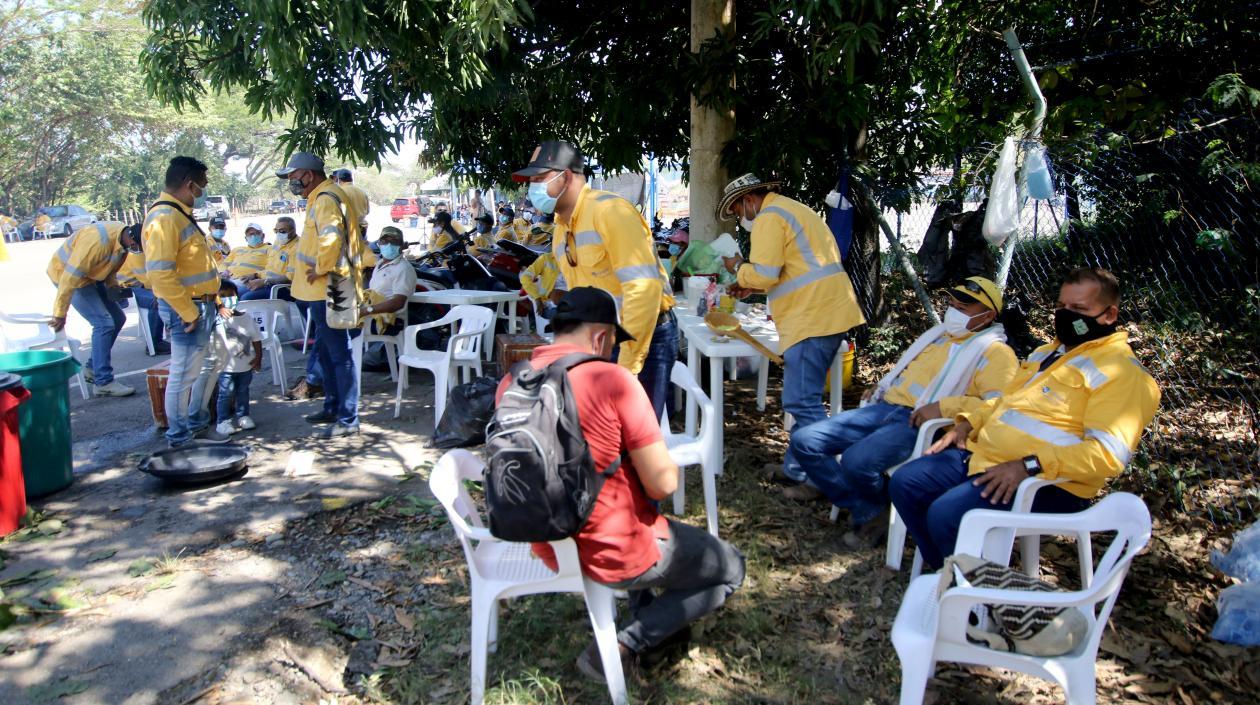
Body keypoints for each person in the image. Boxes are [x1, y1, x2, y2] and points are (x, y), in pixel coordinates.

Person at [494, 288, 745, 680]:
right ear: (600, 337)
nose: (613, 351)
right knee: (732, 568)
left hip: (547, 543)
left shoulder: (514, 381)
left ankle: (648, 618)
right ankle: (624, 644)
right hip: (612, 549)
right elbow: (663, 485)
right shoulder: (613, 379)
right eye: (613, 342)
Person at [889, 267, 1162, 571]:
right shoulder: (1046, 353)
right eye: (1061, 306)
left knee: (947, 515)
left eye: (1079, 309)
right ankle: (954, 573)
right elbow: (1006, 403)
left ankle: (975, 591)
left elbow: (1107, 456)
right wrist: (968, 422)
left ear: (1109, 315)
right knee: (906, 483)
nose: (1066, 315)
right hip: (988, 458)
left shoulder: (1123, 374)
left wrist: (1028, 465)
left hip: (1047, 483)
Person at [789, 277, 1018, 546]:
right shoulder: (938, 336)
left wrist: (944, 407)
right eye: (952, 304)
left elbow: (997, 406)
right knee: (805, 440)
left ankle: (869, 509)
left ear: (987, 316)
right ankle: (870, 507)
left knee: (856, 461)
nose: (953, 312)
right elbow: (908, 374)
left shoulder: (997, 354)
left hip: (920, 423)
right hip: (886, 407)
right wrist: (882, 386)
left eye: (963, 308)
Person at [718, 173, 865, 488]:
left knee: (802, 403)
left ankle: (823, 480)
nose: (740, 219)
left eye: (738, 211)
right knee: (803, 399)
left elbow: (766, 274)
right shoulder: (789, 209)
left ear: (748, 200)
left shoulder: (769, 217)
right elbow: (790, 270)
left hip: (813, 317)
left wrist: (738, 268)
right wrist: (751, 285)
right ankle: (798, 469)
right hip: (823, 312)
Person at [514, 140, 677, 419]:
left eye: (539, 179)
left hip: (644, 337)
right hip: (600, 338)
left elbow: (643, 290)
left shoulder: (610, 212)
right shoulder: (560, 230)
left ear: (566, 176)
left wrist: (626, 369)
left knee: (636, 430)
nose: (533, 188)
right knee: (600, 428)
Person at [143, 156, 231, 446]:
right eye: (201, 186)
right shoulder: (164, 217)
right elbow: (160, 273)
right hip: (188, 309)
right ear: (189, 184)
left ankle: (197, 423)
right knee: (183, 375)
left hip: (204, 305)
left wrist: (214, 301)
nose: (203, 192)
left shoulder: (179, 214)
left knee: (210, 363)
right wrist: (188, 312)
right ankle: (179, 438)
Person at [280, 151, 364, 438]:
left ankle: (348, 419)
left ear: (308, 174)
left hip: (327, 289)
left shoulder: (326, 199)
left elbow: (331, 238)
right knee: (328, 354)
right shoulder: (321, 197)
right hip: (319, 291)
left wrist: (320, 268)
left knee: (339, 355)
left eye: (293, 176)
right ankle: (332, 407)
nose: (291, 182)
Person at [45, 221, 144, 396]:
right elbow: (68, 280)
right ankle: (103, 382)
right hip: (68, 277)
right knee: (103, 324)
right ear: (133, 241)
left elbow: (110, 268)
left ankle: (92, 368)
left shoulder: (122, 240)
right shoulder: (95, 244)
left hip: (90, 277)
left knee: (118, 319)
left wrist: (113, 287)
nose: (138, 251)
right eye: (139, 247)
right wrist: (60, 313)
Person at [213, 280, 263, 437]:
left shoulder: (246, 318)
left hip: (245, 365)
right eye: (222, 296)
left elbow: (256, 339)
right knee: (225, 393)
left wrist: (258, 358)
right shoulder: (216, 319)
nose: (227, 298)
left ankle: (243, 416)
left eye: (231, 295)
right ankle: (223, 421)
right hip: (225, 367)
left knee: (243, 391)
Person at [358, 226, 416, 335]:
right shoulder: (379, 264)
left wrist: (366, 310)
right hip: (372, 314)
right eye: (385, 241)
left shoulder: (403, 268)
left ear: (401, 246)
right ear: (379, 243)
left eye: (394, 242)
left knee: (341, 327)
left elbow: (398, 303)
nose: (389, 245)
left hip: (388, 320)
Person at [118, 248, 169, 354]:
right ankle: (155, 343)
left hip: (136, 285)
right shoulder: (136, 252)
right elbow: (146, 280)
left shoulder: (141, 249)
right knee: (158, 301)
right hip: (131, 287)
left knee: (163, 297)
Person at [241, 217, 298, 301]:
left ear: (292, 231)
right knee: (237, 292)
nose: (278, 234)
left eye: (282, 231)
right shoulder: (278, 242)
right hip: (266, 282)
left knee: (245, 298)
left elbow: (290, 278)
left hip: (282, 288)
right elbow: (270, 268)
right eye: (276, 231)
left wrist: (264, 282)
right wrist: (255, 275)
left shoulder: (298, 248)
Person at [221, 222, 269, 289]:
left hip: (248, 281)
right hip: (228, 279)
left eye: (257, 233)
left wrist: (256, 275)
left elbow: (273, 270)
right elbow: (224, 264)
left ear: (263, 236)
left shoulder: (270, 249)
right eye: (250, 234)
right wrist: (223, 271)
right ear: (246, 238)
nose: (253, 236)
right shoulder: (237, 249)